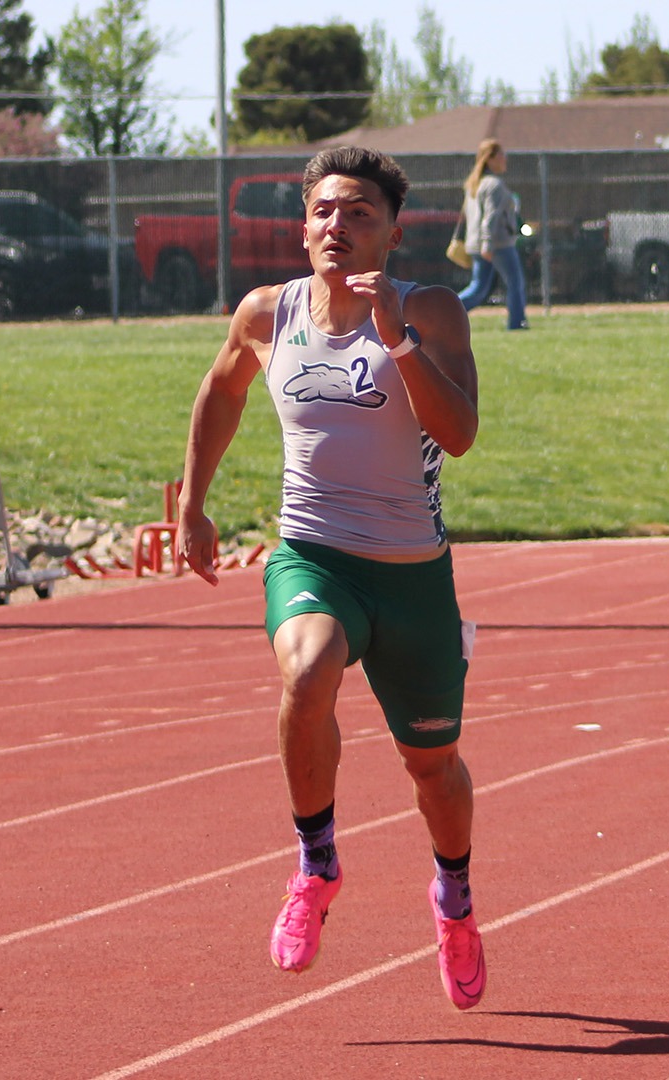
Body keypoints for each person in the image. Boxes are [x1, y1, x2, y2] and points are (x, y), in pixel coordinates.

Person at [174, 146, 487, 1010]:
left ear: (393, 227)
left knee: (434, 771)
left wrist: (401, 342)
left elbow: (459, 434)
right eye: (323, 212)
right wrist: (193, 503)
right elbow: (221, 389)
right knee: (306, 668)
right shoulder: (268, 314)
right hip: (313, 552)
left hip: (414, 575)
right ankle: (315, 865)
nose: (337, 227)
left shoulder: (430, 309)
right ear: (302, 224)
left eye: (357, 214)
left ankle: (454, 899)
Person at [455, 138, 527, 331]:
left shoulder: (474, 183)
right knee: (515, 283)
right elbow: (491, 216)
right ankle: (517, 324)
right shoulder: (493, 184)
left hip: (477, 243)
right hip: (497, 244)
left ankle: (445, 313)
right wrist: (487, 243)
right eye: (501, 154)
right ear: (490, 159)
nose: (505, 158)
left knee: (479, 288)